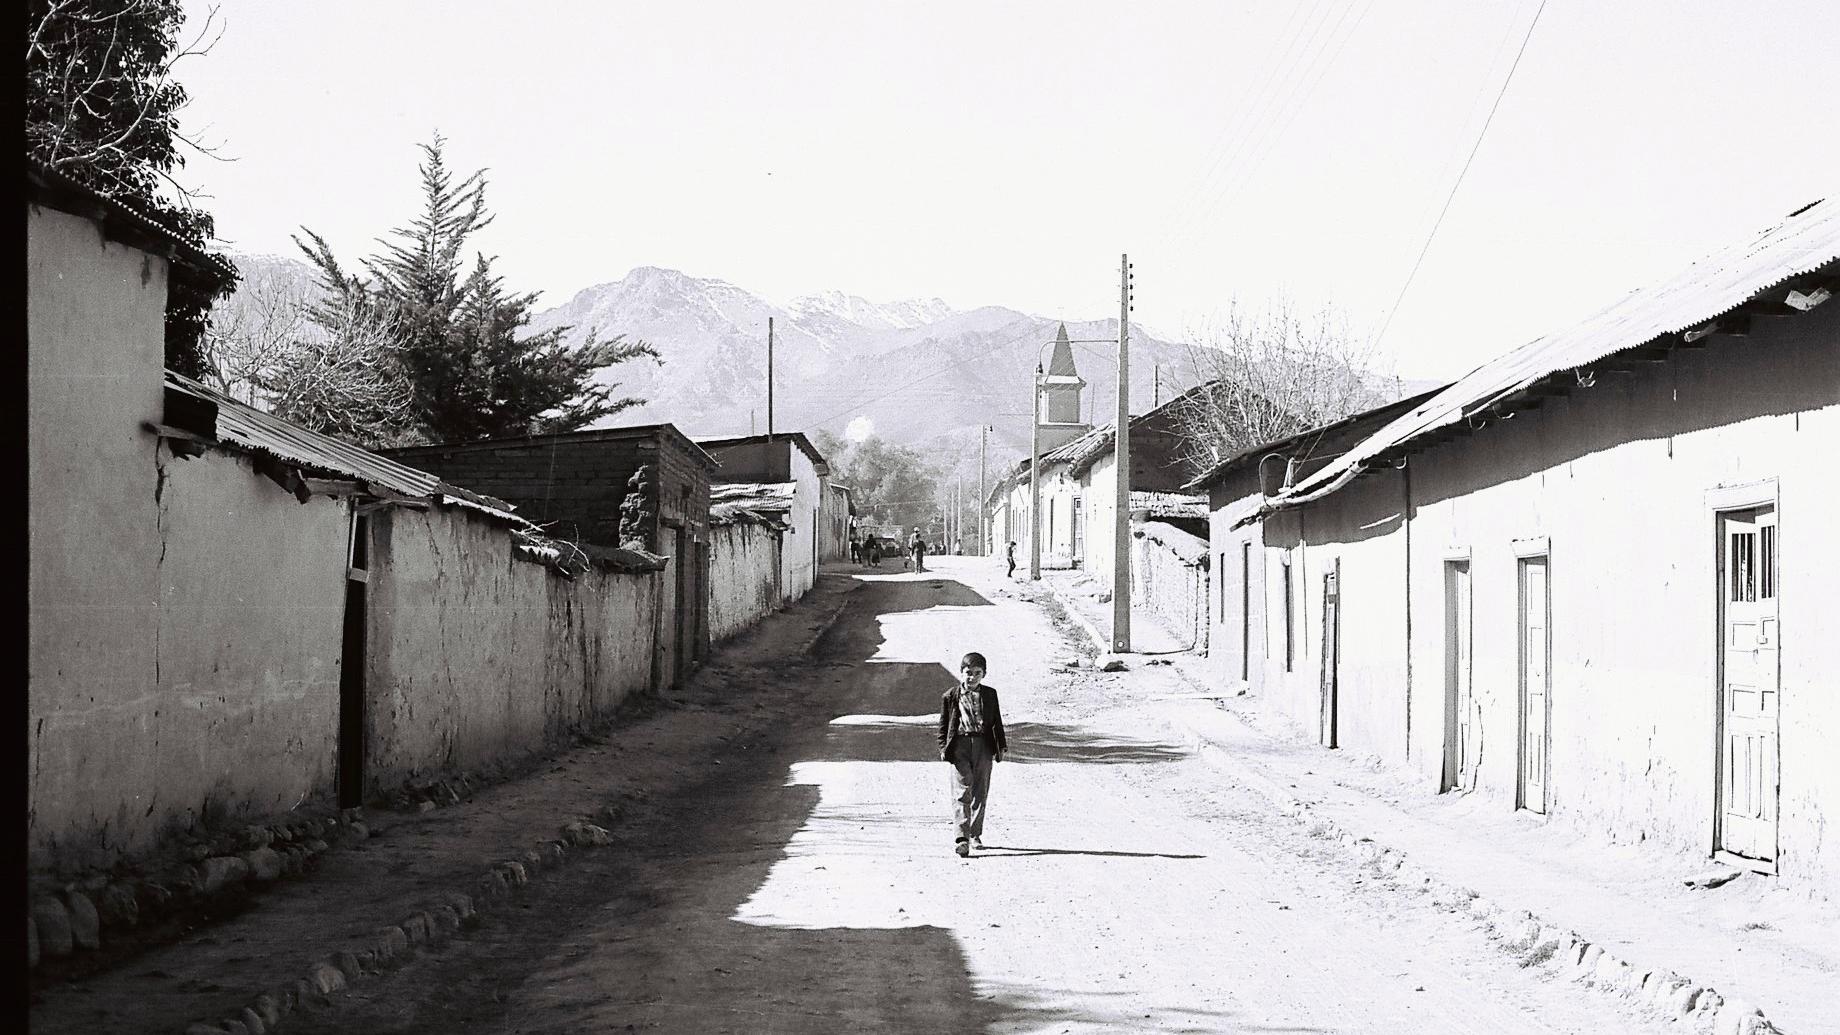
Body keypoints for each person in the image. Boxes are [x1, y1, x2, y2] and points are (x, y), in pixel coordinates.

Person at [938, 652, 1007, 856]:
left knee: (980, 790)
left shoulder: (990, 694)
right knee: (961, 791)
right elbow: (943, 724)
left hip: (984, 745)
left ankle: (975, 834)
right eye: (968, 673)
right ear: (961, 673)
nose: (972, 677)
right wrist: (943, 747)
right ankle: (961, 837)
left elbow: (997, 722)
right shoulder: (950, 696)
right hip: (960, 745)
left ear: (984, 674)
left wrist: (1001, 746)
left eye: (977, 673)